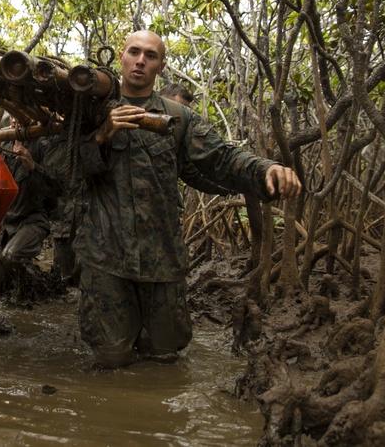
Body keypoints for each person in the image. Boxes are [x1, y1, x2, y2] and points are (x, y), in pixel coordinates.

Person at [69, 30, 301, 368]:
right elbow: (60, 167)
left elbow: (222, 156)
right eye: (134, 52)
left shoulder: (179, 118)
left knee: (165, 356)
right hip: (105, 257)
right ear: (121, 56)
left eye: (150, 55)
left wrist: (265, 169)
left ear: (161, 65)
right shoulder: (89, 112)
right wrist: (102, 135)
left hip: (161, 256)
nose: (140, 60)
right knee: (110, 360)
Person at [0, 120, 63, 297]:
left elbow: (57, 189)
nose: (14, 120)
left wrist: (32, 167)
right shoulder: (2, 145)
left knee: (11, 257)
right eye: (12, 116)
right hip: (5, 224)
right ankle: (27, 289)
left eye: (19, 116)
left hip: (32, 221)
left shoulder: (42, 145)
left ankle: (33, 289)